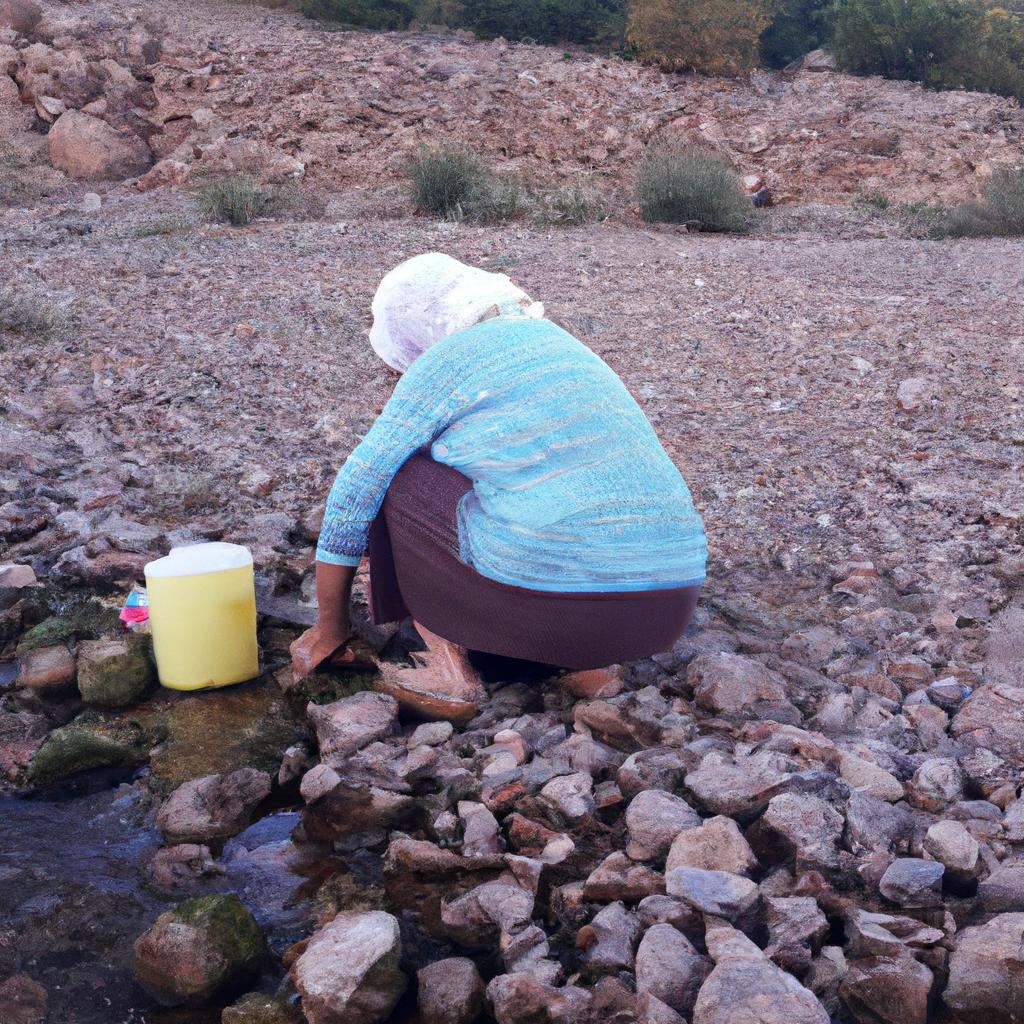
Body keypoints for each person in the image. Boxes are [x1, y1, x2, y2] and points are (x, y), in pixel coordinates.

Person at [290, 253, 707, 721]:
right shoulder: (565, 347)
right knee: (531, 497)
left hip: (560, 604)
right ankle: (584, 666)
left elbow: (355, 489)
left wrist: (331, 627)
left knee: (398, 472)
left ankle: (449, 675)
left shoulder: (450, 359)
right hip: (663, 610)